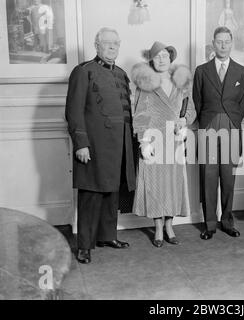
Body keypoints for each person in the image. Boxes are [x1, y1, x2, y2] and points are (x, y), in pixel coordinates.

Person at [65, 27, 136, 264]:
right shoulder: (83, 71)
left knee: (112, 192)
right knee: (91, 194)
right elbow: (73, 112)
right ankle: (84, 245)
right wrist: (80, 144)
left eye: (116, 43)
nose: (113, 47)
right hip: (93, 146)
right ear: (96, 45)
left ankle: (107, 236)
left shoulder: (122, 74)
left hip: (119, 146)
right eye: (107, 43)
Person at [131, 41, 196, 247]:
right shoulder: (145, 82)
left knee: (173, 183)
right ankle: (158, 227)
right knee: (155, 184)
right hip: (153, 139)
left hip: (174, 139)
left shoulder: (181, 82)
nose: (161, 60)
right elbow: (140, 113)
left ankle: (170, 225)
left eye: (165, 56)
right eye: (157, 56)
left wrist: (185, 121)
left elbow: (191, 109)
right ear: (151, 60)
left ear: (171, 59)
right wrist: (143, 141)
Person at [193, 26, 244, 240]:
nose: (223, 45)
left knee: (228, 178)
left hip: (231, 127)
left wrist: (232, 121)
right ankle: (209, 224)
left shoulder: (241, 72)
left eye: (227, 41)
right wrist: (207, 121)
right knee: (208, 176)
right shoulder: (202, 70)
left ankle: (227, 221)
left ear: (232, 43)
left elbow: (243, 103)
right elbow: (198, 101)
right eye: (219, 41)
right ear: (213, 43)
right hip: (208, 126)